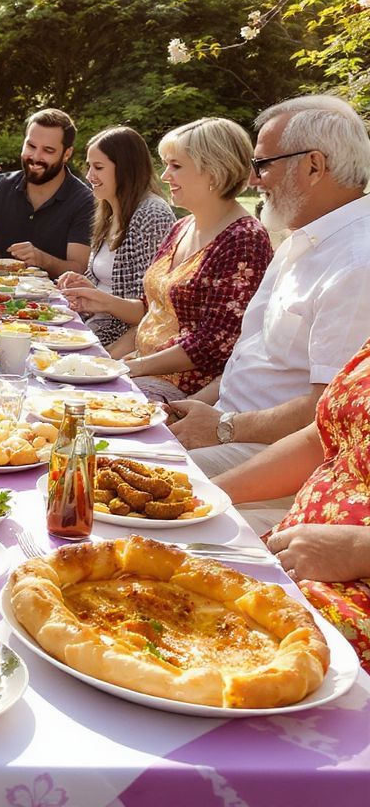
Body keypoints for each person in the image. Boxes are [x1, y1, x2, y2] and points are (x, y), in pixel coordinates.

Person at [166, 96, 370, 523]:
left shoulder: (357, 263)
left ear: (313, 166)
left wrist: (222, 427)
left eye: (263, 164)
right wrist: (187, 412)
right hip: (230, 430)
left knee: (114, 481)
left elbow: (327, 416)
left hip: (271, 459)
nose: (254, 179)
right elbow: (249, 361)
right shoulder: (304, 238)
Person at [63, 117, 273, 398]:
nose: (164, 176)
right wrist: (102, 311)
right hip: (143, 367)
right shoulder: (182, 227)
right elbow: (151, 310)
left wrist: (130, 367)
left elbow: (213, 345)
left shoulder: (243, 239)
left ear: (214, 171)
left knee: (73, 400)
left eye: (176, 166)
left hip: (185, 387)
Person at [214, 336, 370, 669]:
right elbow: (321, 438)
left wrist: (358, 550)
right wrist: (212, 494)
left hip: (346, 596)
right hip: (292, 554)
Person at [56, 126, 176, 348]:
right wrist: (85, 286)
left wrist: (101, 302)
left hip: (120, 340)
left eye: (98, 167)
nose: (89, 176)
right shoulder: (109, 211)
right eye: (89, 166)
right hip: (92, 326)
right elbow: (108, 286)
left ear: (126, 169)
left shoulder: (152, 214)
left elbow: (152, 309)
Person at [0, 108, 94, 277]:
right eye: (31, 146)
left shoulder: (84, 200)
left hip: (57, 293)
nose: (35, 157)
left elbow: (79, 269)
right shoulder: (1, 185)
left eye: (48, 150)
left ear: (67, 154)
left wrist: (42, 260)